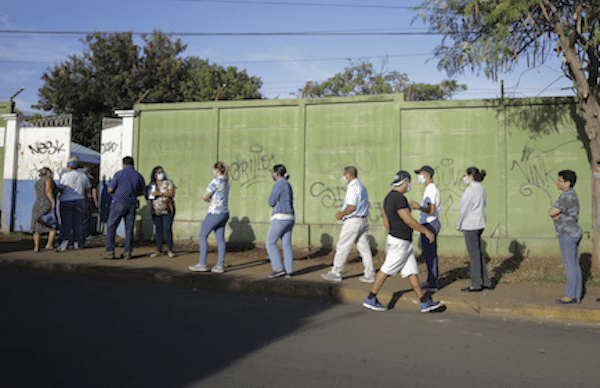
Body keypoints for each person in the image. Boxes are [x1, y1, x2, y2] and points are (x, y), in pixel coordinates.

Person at [362, 170, 443, 313]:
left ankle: (424, 302)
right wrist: (426, 231)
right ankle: (370, 297)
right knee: (386, 269)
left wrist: (391, 233)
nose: (409, 185)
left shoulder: (389, 197)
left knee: (412, 271)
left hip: (401, 241)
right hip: (400, 242)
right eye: (409, 182)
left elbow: (385, 218)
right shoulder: (399, 198)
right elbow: (408, 219)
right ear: (404, 182)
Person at [321, 166, 375, 283]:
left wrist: (341, 214)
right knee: (364, 249)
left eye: (345, 175)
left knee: (343, 246)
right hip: (363, 220)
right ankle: (370, 274)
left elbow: (351, 207)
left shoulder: (353, 187)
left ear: (349, 174)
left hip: (353, 221)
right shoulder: (361, 186)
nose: (344, 177)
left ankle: (336, 272)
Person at [549, 170, 584, 304]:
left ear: (567, 183)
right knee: (575, 264)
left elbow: (552, 211)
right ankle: (577, 295)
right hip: (575, 231)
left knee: (569, 265)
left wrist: (555, 215)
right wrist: (557, 215)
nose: (558, 183)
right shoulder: (573, 195)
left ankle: (569, 296)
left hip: (567, 233)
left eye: (560, 180)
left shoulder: (565, 196)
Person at [189, 162, 230, 273]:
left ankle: (202, 264)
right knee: (220, 240)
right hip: (224, 213)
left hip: (214, 213)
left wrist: (209, 200)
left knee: (202, 236)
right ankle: (219, 266)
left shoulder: (215, 181)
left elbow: (204, 196)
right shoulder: (226, 182)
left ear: (217, 170)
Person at [103, 156, 146, 260]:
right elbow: (143, 191)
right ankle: (127, 252)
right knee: (129, 229)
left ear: (123, 164)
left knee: (111, 227)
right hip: (132, 204)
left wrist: (115, 193)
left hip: (118, 202)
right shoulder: (138, 175)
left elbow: (110, 189)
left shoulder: (119, 174)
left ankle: (110, 252)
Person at [456, 166, 492, 292]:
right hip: (479, 224)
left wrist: (459, 224)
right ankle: (486, 281)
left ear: (471, 176)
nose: (464, 178)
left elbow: (464, 209)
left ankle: (476, 284)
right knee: (478, 254)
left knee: (474, 256)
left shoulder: (470, 190)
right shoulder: (481, 188)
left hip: (470, 225)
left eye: (465, 175)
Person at [409, 165, 441, 291]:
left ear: (427, 175)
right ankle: (431, 280)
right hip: (429, 223)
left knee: (430, 254)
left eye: (421, 174)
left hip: (430, 224)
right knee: (428, 254)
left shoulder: (431, 189)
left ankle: (432, 282)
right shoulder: (429, 189)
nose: (419, 177)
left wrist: (418, 207)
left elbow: (431, 210)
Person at [265, 164, 295, 278]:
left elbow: (271, 202)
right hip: (290, 217)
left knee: (270, 242)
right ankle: (289, 270)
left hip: (280, 217)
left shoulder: (279, 184)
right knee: (286, 244)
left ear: (276, 174)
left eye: (272, 173)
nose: (272, 175)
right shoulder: (288, 184)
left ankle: (278, 268)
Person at [57, 159, 91, 251]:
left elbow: (60, 187)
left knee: (66, 223)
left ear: (69, 167)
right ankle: (78, 244)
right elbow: (88, 189)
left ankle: (65, 244)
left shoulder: (65, 175)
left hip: (66, 201)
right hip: (80, 201)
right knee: (78, 223)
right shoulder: (83, 176)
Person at [148, 166, 176, 258]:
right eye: (159, 172)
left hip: (167, 209)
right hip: (156, 210)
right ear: (155, 175)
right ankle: (159, 249)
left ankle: (170, 249)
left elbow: (171, 193)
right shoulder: (152, 184)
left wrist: (160, 193)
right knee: (158, 229)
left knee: (167, 228)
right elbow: (148, 194)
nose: (161, 174)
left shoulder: (168, 182)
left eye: (162, 172)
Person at [31, 167, 58, 251]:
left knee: (37, 226)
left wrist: (41, 199)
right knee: (52, 224)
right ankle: (49, 244)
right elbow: (48, 190)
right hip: (46, 204)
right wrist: (53, 201)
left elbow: (36, 193)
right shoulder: (48, 179)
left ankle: (36, 247)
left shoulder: (37, 182)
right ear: (48, 173)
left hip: (37, 204)